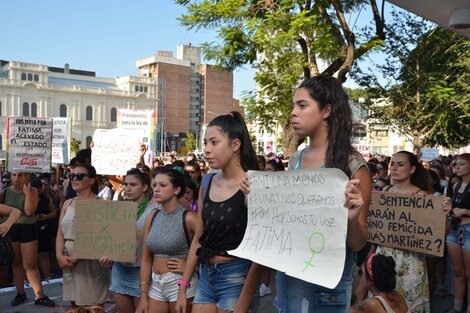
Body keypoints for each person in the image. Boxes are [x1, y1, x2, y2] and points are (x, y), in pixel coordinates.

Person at [276, 76, 371, 312]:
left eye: (302, 105)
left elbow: (358, 244)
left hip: (327, 287)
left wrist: (352, 219)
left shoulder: (353, 166)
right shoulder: (296, 159)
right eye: (293, 106)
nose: (293, 113)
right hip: (288, 276)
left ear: (326, 110)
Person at [175, 111, 261, 313]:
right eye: (205, 143)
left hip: (237, 276)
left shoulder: (254, 184)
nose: (206, 150)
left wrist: (243, 304)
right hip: (206, 274)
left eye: (214, 142)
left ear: (235, 145)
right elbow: (199, 238)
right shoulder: (207, 182)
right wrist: (183, 287)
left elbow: (261, 251)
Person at [375, 151, 432, 313]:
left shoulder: (422, 196)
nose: (394, 168)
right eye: (392, 164)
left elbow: (435, 231)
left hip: (410, 260)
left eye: (400, 165)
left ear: (412, 169)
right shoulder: (385, 191)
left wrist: (444, 212)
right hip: (384, 256)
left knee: (410, 303)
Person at [136, 166, 198, 313]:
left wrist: (193, 267)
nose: (156, 189)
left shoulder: (189, 218)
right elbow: (146, 259)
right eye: (155, 185)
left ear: (177, 190)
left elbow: (209, 247)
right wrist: (143, 296)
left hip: (181, 282)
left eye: (163, 185)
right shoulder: (152, 216)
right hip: (156, 283)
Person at [56, 164, 111, 307]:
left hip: (91, 263)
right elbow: (60, 233)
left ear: (92, 180)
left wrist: (77, 256)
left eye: (79, 176)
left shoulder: (102, 204)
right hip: (69, 261)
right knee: (74, 305)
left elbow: (103, 236)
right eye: (71, 176)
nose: (74, 179)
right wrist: (59, 255)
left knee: (93, 306)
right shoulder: (68, 203)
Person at [0, 172, 55, 307]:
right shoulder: (4, 192)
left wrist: (27, 193)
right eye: (14, 175)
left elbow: (29, 211)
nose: (16, 178)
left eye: (20, 175)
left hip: (28, 228)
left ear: (27, 177)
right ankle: (20, 293)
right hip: (11, 229)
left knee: (30, 264)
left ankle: (39, 296)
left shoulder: (33, 191)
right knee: (16, 263)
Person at [108, 168, 157, 313]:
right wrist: (107, 254)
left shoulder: (154, 210)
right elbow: (111, 237)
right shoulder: (118, 209)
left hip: (141, 271)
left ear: (145, 187)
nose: (127, 188)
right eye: (126, 184)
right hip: (119, 269)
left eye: (133, 185)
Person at [442, 153, 470, 313]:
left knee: (469, 274)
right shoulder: (455, 186)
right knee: (458, 271)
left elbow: (462, 210)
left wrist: (465, 211)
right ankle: (457, 307)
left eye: (462, 164)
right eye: (456, 164)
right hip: (454, 230)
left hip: (468, 230)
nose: (457, 167)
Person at [31, 179, 57, 279]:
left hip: (43, 229)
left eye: (39, 190)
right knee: (30, 256)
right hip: (29, 229)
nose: (37, 192)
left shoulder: (46, 199)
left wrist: (44, 217)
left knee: (43, 254)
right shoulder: (26, 198)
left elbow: (53, 213)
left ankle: (46, 276)